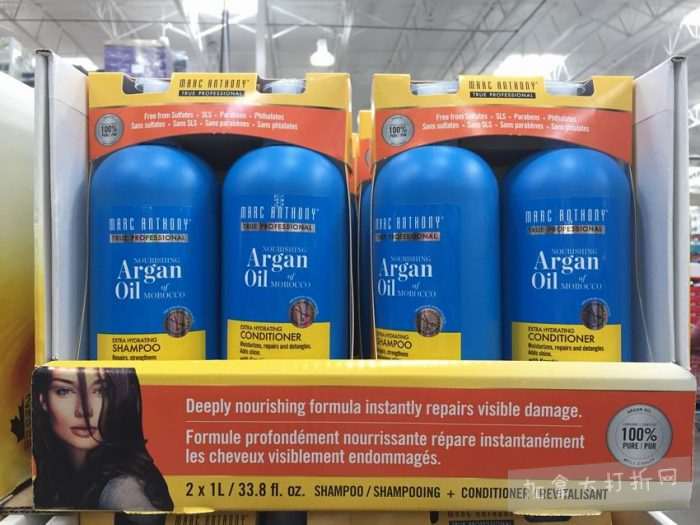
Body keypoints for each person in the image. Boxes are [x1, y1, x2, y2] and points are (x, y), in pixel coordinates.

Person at [33, 366, 173, 511]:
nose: (84, 411)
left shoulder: (121, 493)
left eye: (101, 391)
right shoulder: (51, 479)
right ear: (42, 400)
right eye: (64, 391)